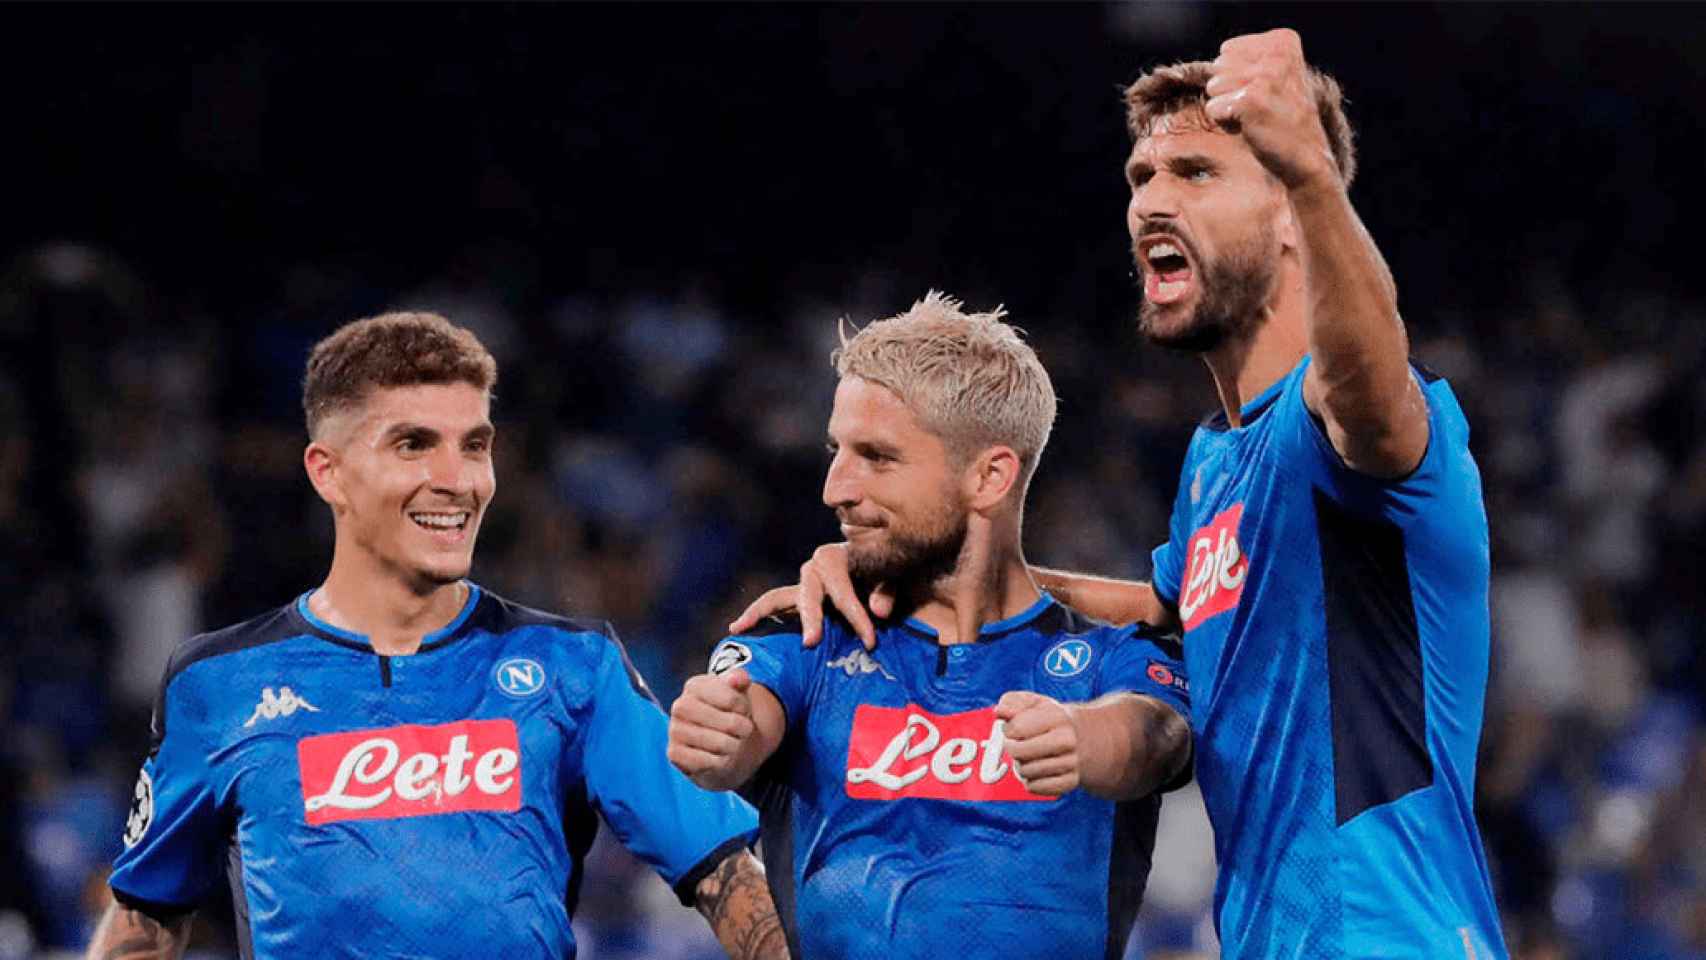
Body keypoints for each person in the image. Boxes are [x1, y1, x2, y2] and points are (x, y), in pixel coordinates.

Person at [733, 31, 1507, 959]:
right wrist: (903, 567)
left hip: (1394, 937)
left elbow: (1368, 393)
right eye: (1141, 175)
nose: (1150, 201)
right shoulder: (1216, 463)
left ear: (1293, 214)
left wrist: (1310, 170)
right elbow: (1165, 614)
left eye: (1195, 172)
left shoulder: (1355, 424)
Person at [90, 313, 785, 960]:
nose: (456, 480)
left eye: (473, 445)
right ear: (327, 472)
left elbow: (726, 873)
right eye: (413, 444)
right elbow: (144, 918)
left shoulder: (574, 666)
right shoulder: (217, 686)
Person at [670, 293, 1193, 959]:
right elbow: (745, 718)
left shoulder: (1109, 656)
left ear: (989, 477)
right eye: (838, 450)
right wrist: (721, 732)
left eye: (877, 457)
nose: (835, 487)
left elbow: (1156, 734)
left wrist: (1080, 737)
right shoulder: (801, 631)